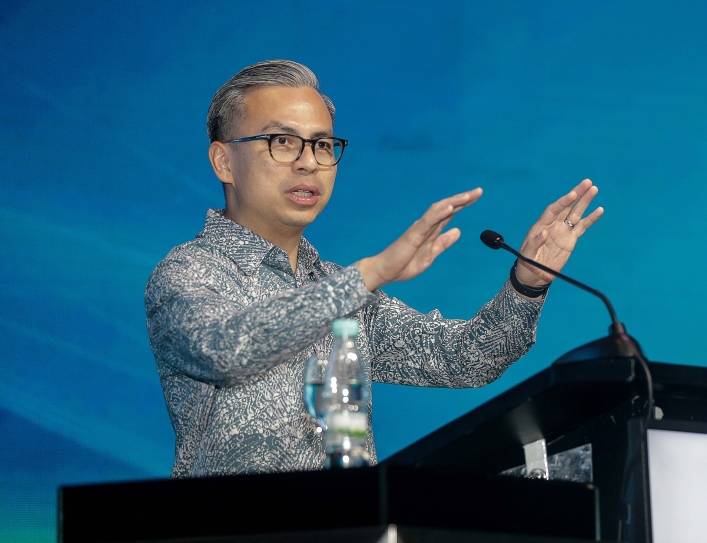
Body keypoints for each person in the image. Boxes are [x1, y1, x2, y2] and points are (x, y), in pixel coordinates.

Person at [145, 60, 603, 477]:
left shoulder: (336, 284)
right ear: (223, 160)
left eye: (323, 144)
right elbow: (228, 351)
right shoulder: (188, 273)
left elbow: (463, 359)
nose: (309, 161)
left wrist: (526, 283)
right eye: (282, 141)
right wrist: (367, 275)